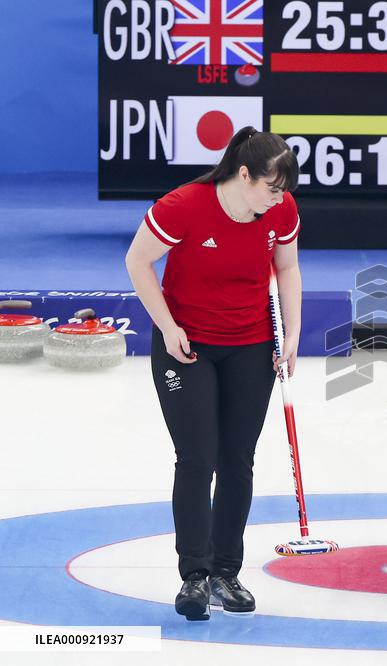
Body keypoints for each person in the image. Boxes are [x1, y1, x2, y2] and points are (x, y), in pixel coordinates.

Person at [124, 127, 302, 621]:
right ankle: (195, 576)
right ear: (244, 175)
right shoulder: (184, 205)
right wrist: (167, 326)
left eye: (284, 190)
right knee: (198, 457)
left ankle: (226, 571)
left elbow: (287, 268)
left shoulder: (281, 210)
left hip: (251, 345)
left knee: (237, 459)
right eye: (271, 188)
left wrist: (290, 335)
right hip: (187, 347)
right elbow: (137, 261)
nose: (279, 198)